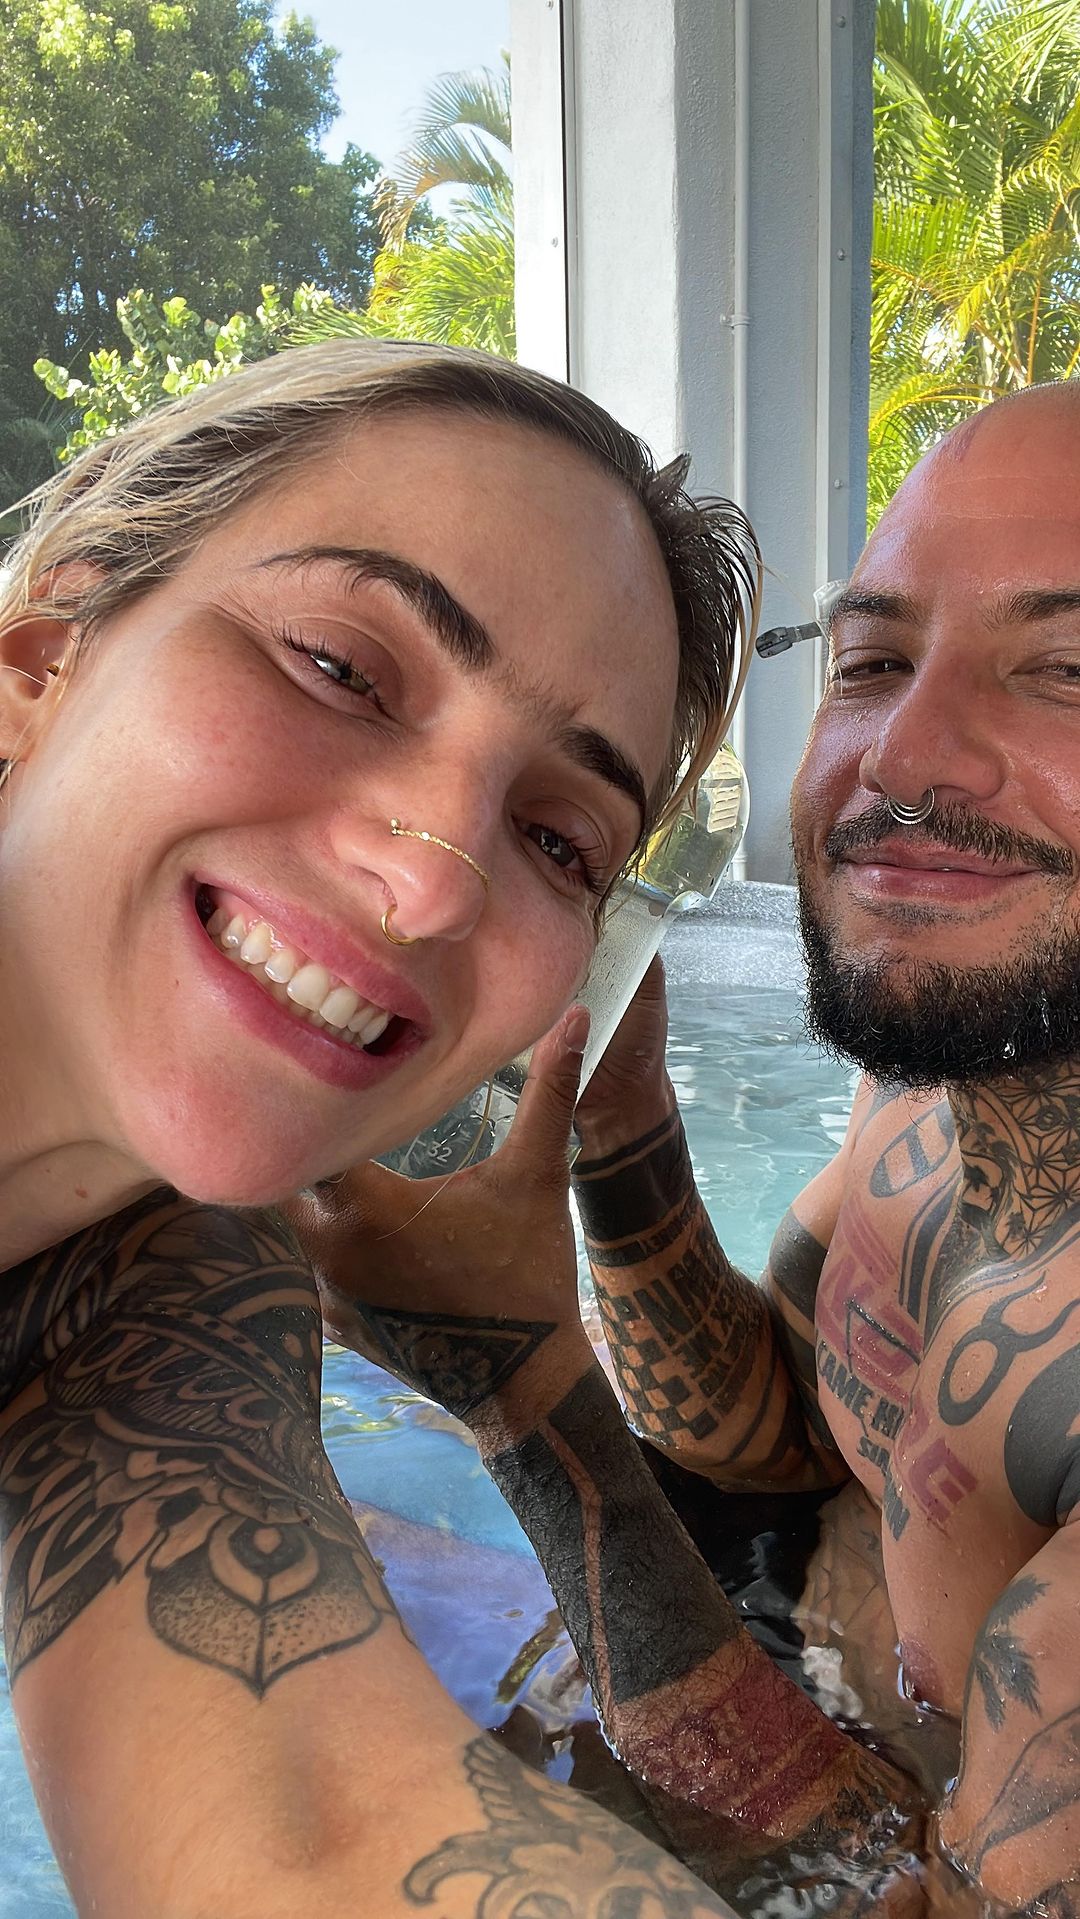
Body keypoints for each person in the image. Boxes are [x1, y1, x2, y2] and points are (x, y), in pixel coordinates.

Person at [0, 335, 800, 1918]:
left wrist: (524, 1364)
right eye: (342, 670)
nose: (435, 882)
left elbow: (321, 1820)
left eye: (560, 839)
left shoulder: (154, 1286)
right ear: (41, 664)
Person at [300, 381, 1080, 1917]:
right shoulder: (953, 1075)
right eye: (872, 662)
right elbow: (779, 1431)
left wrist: (523, 1394)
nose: (905, 755)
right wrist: (618, 1121)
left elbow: (895, 1895)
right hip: (783, 1663)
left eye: (1066, 672)